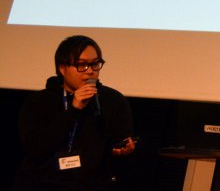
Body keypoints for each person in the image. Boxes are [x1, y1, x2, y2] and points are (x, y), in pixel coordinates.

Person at [14, 35, 135, 191]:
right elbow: (36, 148)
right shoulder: (39, 101)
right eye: (81, 65)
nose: (90, 71)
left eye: (95, 64)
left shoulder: (113, 100)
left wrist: (122, 151)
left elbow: (119, 148)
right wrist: (74, 110)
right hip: (43, 183)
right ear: (62, 68)